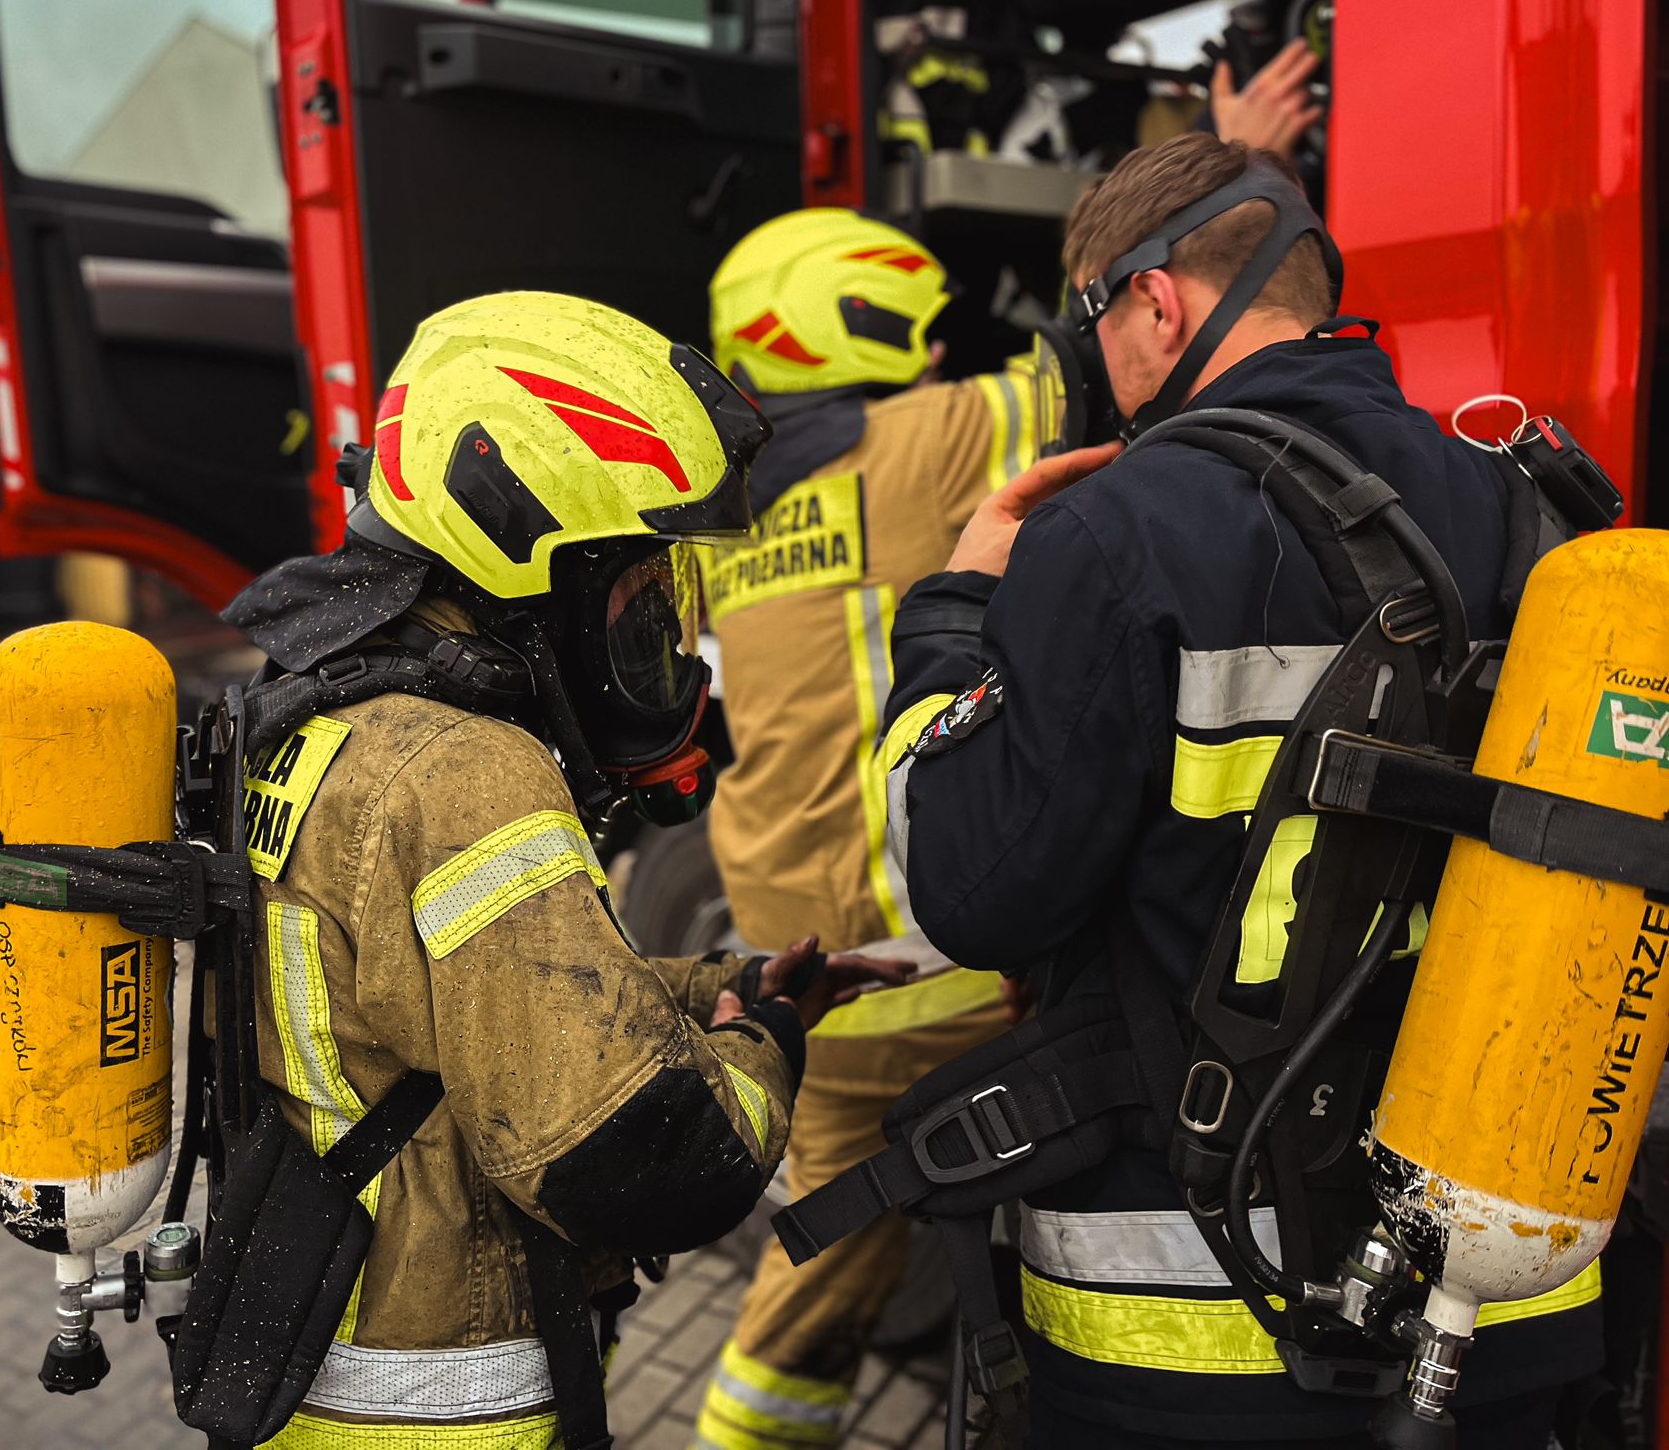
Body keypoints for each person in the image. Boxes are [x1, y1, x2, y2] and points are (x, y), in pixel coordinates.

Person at [879, 136, 1602, 1446]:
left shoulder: (1114, 533)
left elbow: (974, 897)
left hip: (1187, 1337)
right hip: (1506, 1302)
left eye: (1092, 324)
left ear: (1153, 303)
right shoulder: (1526, 510)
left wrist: (952, 616)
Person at [212, 291, 915, 1449]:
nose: (662, 642)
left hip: (319, 1361)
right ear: (526, 560)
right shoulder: (464, 771)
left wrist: (718, 988)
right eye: (639, 596)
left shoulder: (308, 720)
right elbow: (648, 1162)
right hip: (446, 1403)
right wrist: (767, 1045)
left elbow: (438, 1005)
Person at [691, 206, 1036, 1450]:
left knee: (817, 1268)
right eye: (919, 330)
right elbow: (1136, 348)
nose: (939, 355)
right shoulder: (933, 435)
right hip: (940, 969)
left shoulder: (721, 514)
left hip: (804, 972)